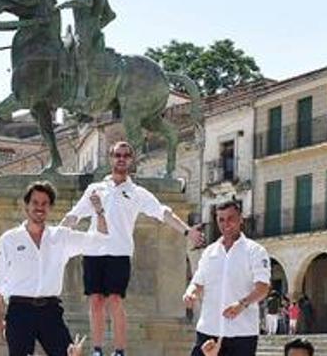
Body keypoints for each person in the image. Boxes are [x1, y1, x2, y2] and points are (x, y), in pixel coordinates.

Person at [62, 141, 205, 356]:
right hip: (93, 252)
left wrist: (187, 232)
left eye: (126, 155)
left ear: (131, 160)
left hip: (119, 253)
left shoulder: (137, 192)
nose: (121, 158)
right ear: (110, 158)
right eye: (117, 155)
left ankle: (120, 351)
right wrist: (52, 237)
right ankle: (98, 350)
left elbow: (162, 212)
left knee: (115, 300)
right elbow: (74, 215)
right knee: (96, 301)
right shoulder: (95, 189)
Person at [0, 181, 109, 356]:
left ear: (50, 207)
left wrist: (99, 211)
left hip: (50, 311)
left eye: (45, 203)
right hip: (19, 311)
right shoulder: (9, 239)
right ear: (26, 206)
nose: (40, 207)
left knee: (71, 354)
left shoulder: (61, 237)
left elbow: (101, 240)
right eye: (35, 203)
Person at [183, 200, 271, 356]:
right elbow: (198, 282)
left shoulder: (255, 251)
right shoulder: (209, 252)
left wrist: (242, 304)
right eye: (221, 220)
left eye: (231, 218)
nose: (226, 224)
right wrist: (191, 293)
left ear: (240, 219)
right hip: (208, 329)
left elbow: (263, 288)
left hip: (242, 333)